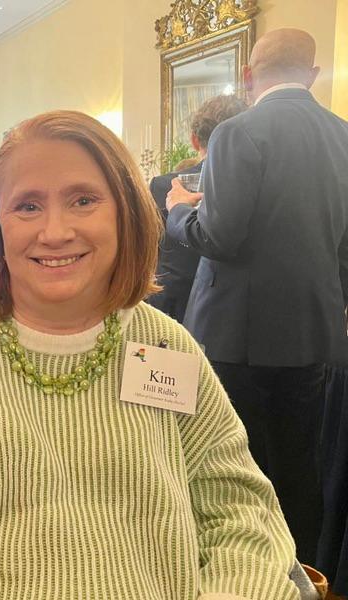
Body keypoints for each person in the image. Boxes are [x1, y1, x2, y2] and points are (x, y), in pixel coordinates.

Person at [0, 110, 300, 599]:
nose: (54, 232)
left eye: (83, 200)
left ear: (124, 212)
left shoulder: (164, 344)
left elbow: (240, 515)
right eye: (27, 206)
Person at [165, 28, 348, 565]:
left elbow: (218, 237)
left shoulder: (237, 132)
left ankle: (240, 571)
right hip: (315, 334)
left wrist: (177, 211)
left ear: (248, 75)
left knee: (229, 465)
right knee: (299, 464)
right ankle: (302, 576)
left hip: (234, 336)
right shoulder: (343, 136)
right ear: (312, 74)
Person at [147, 94, 247, 322]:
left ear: (194, 140)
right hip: (227, 310)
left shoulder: (162, 186)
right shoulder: (253, 189)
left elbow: (146, 252)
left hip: (168, 306)